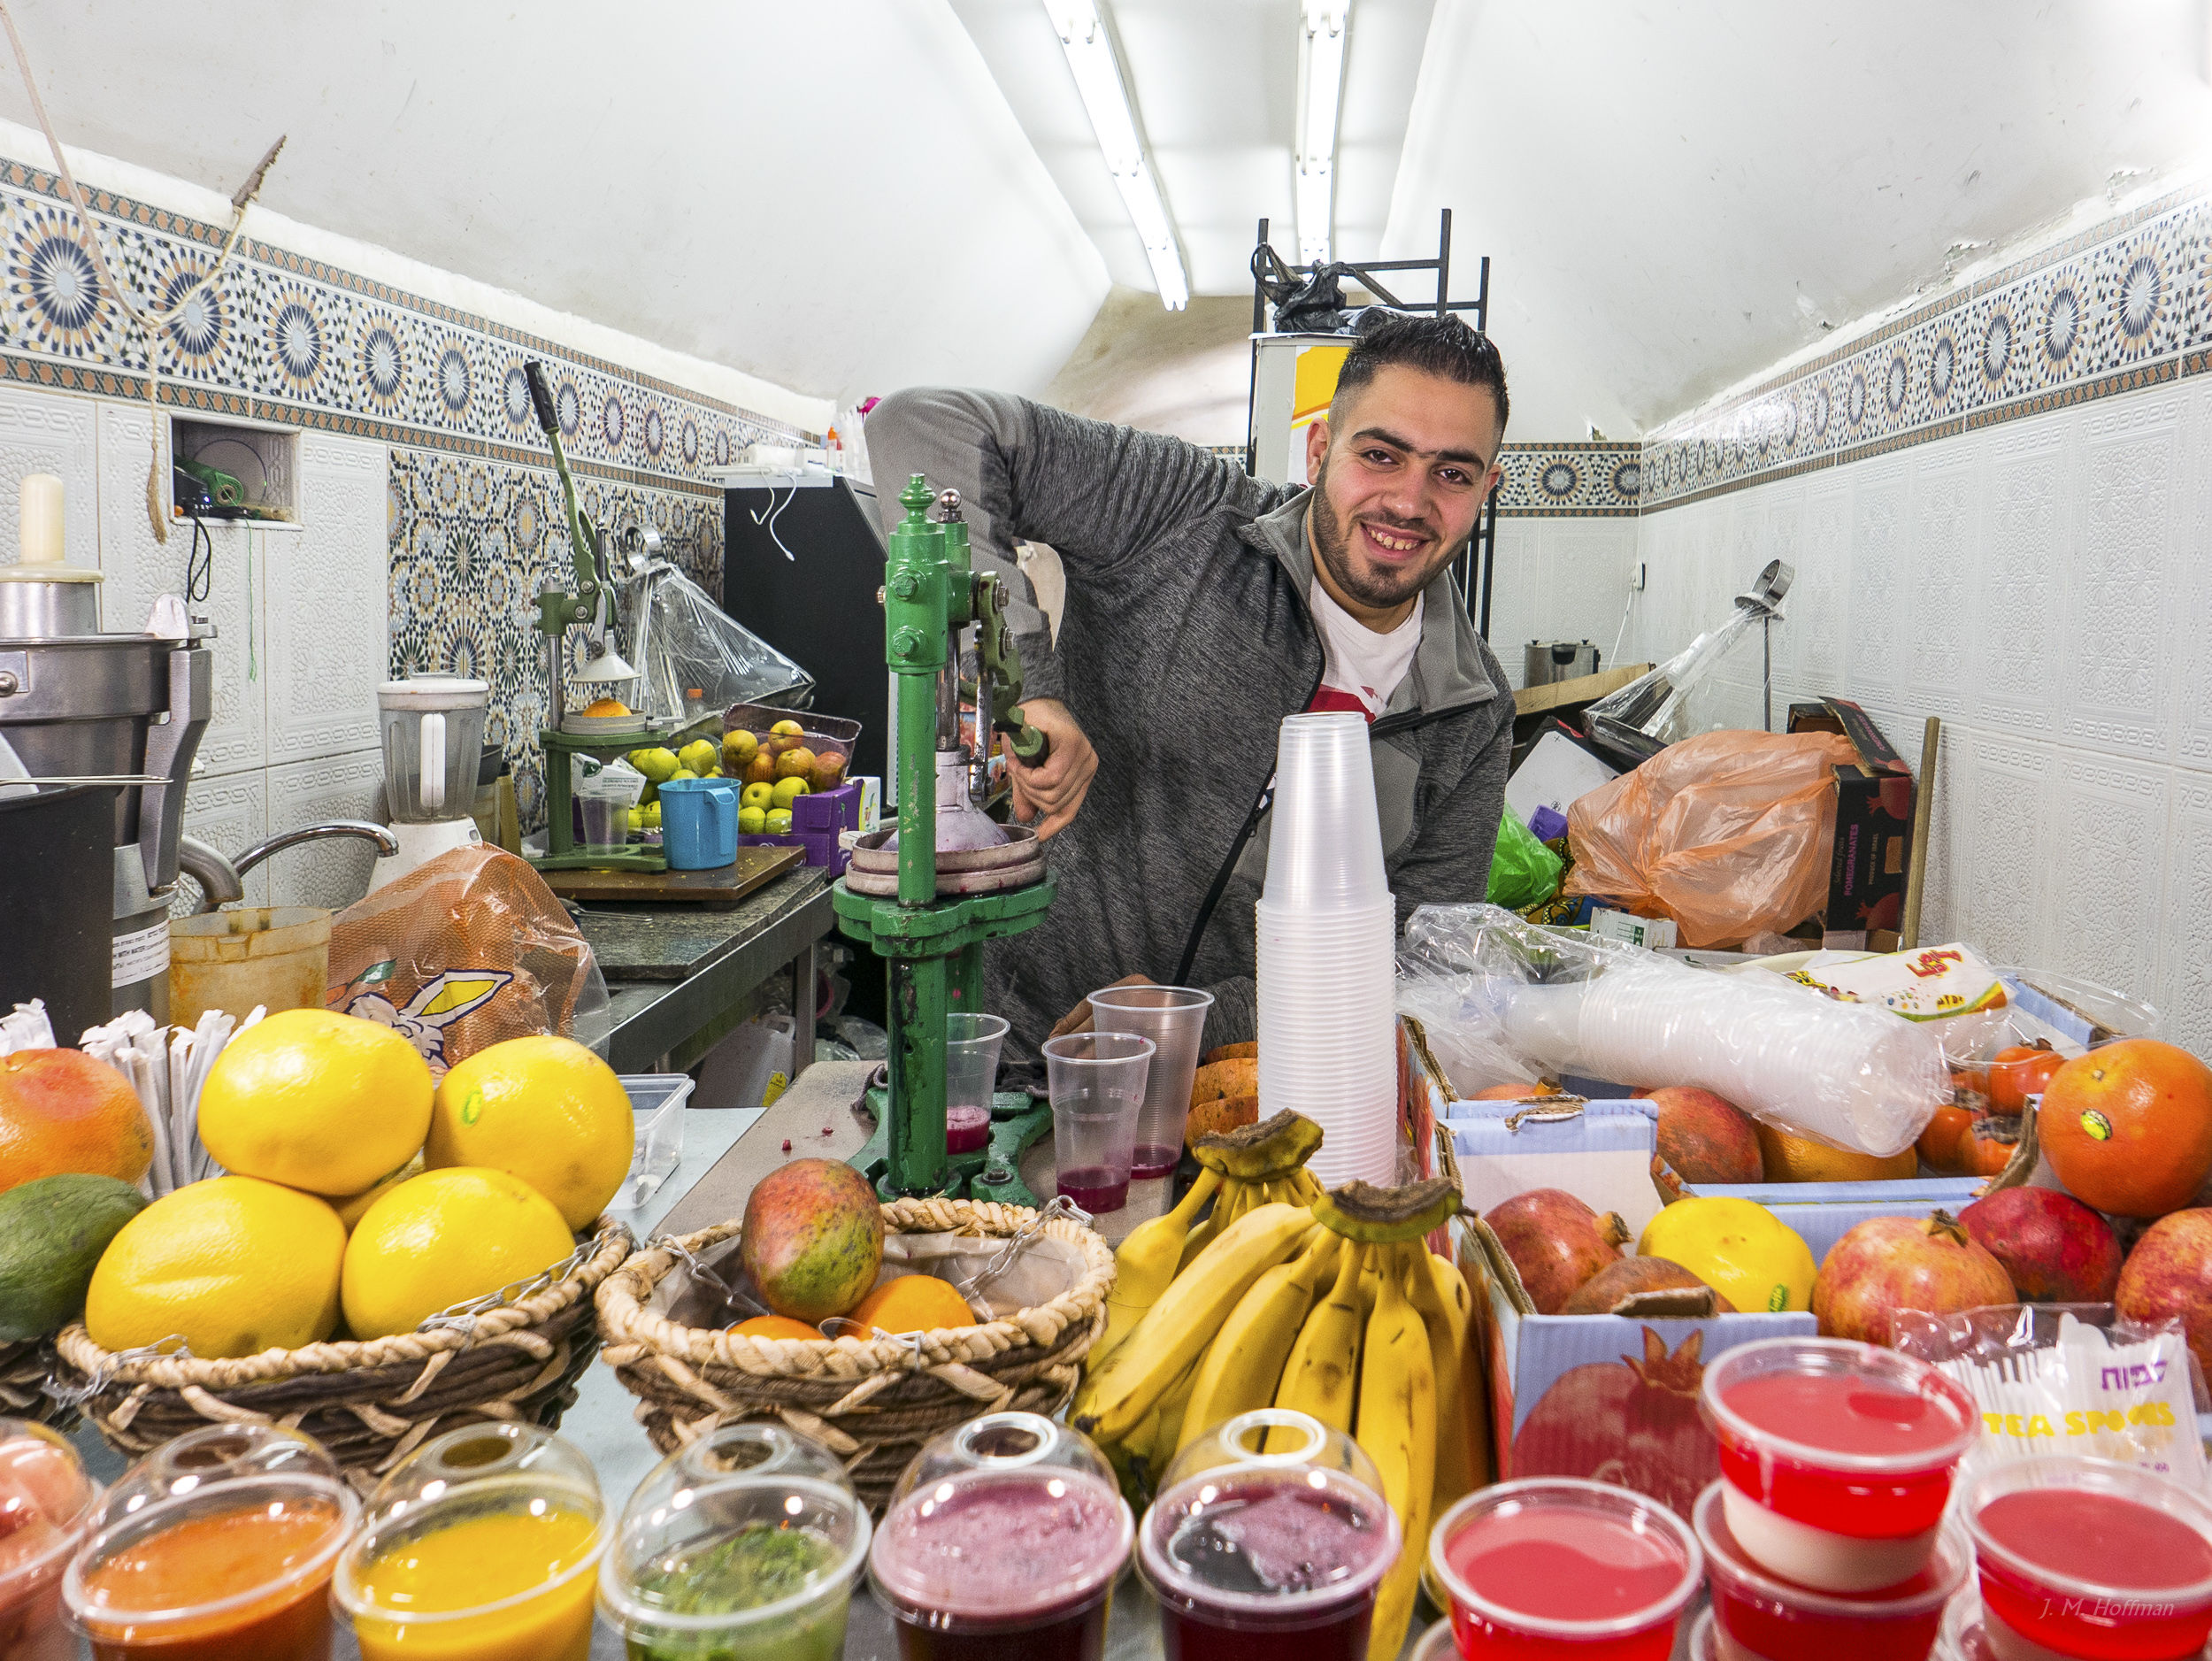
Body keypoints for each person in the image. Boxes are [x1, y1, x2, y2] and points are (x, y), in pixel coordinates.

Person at [865, 311, 1515, 1074]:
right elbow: (922, 425)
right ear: (1319, 451)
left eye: (1452, 473)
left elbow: (1419, 965)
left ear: (1486, 487)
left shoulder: (1471, 710)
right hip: (1024, 1067)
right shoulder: (1185, 514)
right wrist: (1025, 683)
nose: (1409, 502)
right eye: (1380, 455)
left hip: (1253, 1101)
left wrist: (1201, 1020)